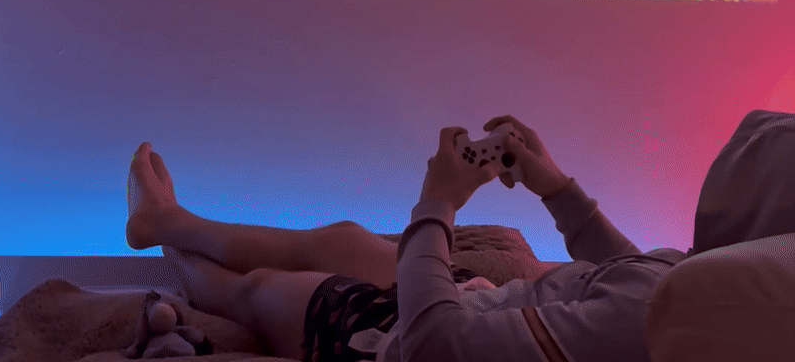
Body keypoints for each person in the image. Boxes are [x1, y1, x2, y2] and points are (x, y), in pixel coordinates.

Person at [126, 108, 794, 362]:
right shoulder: (707, 295)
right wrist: (556, 188)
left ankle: (173, 248)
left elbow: (434, 345)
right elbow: (634, 270)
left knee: (260, 291)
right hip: (482, 305)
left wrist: (438, 202)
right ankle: (171, 222)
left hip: (406, 335)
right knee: (346, 239)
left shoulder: (644, 316)